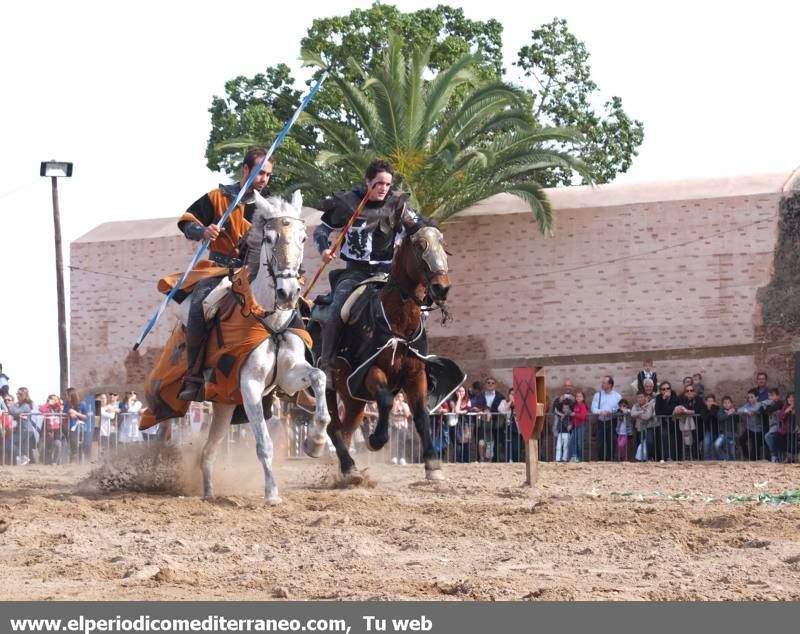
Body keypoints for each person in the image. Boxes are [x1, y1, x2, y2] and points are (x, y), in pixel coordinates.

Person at [312, 159, 428, 385]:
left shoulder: (398, 205)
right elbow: (322, 230)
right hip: (354, 275)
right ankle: (326, 363)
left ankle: (420, 361)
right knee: (338, 311)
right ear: (368, 182)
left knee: (419, 310)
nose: (383, 188)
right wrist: (324, 249)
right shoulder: (348, 204)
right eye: (378, 183)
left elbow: (418, 225)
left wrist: (428, 233)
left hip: (388, 275)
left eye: (387, 184)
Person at [176, 148, 275, 401]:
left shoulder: (270, 205)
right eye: (259, 172)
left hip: (255, 272)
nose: (264, 179)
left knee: (294, 306)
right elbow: (187, 223)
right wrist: (203, 231)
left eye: (267, 175)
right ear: (245, 169)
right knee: (198, 304)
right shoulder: (218, 197)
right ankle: (194, 376)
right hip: (221, 268)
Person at [591, 376, 621, 461]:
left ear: (610, 385)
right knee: (600, 443)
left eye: (604, 382)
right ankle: (600, 461)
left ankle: (610, 460)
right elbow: (593, 409)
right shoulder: (597, 395)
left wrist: (612, 411)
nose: (602, 384)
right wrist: (601, 412)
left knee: (611, 442)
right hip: (601, 421)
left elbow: (620, 408)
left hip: (612, 421)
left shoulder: (617, 396)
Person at [64, 387, 89, 463]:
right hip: (72, 428)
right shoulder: (66, 404)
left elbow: (86, 417)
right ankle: (72, 462)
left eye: (67, 395)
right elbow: (65, 414)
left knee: (81, 445)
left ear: (72, 395)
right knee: (73, 444)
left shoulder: (82, 404)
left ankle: (81, 462)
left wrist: (77, 414)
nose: (66, 397)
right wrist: (69, 413)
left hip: (82, 428)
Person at [389, 392, 411, 465]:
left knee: (402, 442)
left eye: (401, 397)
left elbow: (407, 414)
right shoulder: (393, 404)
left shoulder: (406, 405)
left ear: (403, 398)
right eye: (398, 396)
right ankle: (394, 457)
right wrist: (396, 404)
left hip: (403, 425)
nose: (399, 398)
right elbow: (393, 413)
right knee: (394, 441)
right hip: (395, 425)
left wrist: (402, 405)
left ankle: (402, 458)